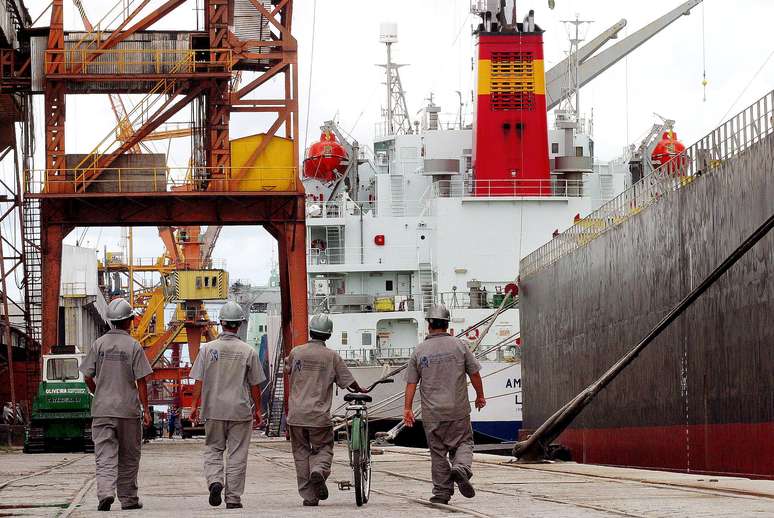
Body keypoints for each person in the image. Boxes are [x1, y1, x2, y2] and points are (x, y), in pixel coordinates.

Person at [403, 304, 486, 505]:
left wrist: (407, 409)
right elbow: (474, 373)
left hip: (433, 414)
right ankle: (461, 468)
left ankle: (441, 493)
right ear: (447, 324)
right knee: (464, 442)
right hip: (458, 410)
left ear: (429, 324)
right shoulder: (460, 345)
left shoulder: (419, 351)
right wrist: (480, 396)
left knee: (438, 452)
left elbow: (411, 383)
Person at [80, 298, 153, 512]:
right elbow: (141, 381)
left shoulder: (99, 344)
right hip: (128, 411)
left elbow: (86, 376)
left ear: (110, 321)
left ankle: (105, 494)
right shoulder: (134, 346)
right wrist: (146, 409)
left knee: (104, 454)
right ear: (129, 321)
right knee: (129, 456)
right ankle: (129, 499)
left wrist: (98, 393)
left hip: (102, 410)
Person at [190, 301, 264, 510]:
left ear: (221, 323)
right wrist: (258, 409)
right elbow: (255, 384)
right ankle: (233, 499)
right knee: (237, 454)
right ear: (239, 324)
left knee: (213, 449)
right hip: (239, 410)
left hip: (213, 410)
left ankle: (215, 481)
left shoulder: (207, 350)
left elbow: (199, 380)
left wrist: (195, 406)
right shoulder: (248, 351)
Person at [285, 314, 364, 507]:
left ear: (310, 331)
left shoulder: (296, 352)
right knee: (324, 448)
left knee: (301, 453)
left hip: (295, 416)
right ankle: (319, 470)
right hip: (318, 416)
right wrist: (360, 389)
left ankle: (309, 497)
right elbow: (349, 383)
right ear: (328, 335)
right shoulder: (332, 357)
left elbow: (288, 368)